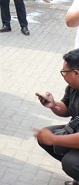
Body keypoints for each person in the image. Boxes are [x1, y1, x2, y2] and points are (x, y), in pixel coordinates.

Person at [35, 48, 79, 185]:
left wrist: (54, 138)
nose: (63, 75)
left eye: (64, 72)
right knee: (46, 136)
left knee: (71, 162)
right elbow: (66, 109)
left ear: (76, 73)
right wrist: (53, 105)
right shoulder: (73, 87)